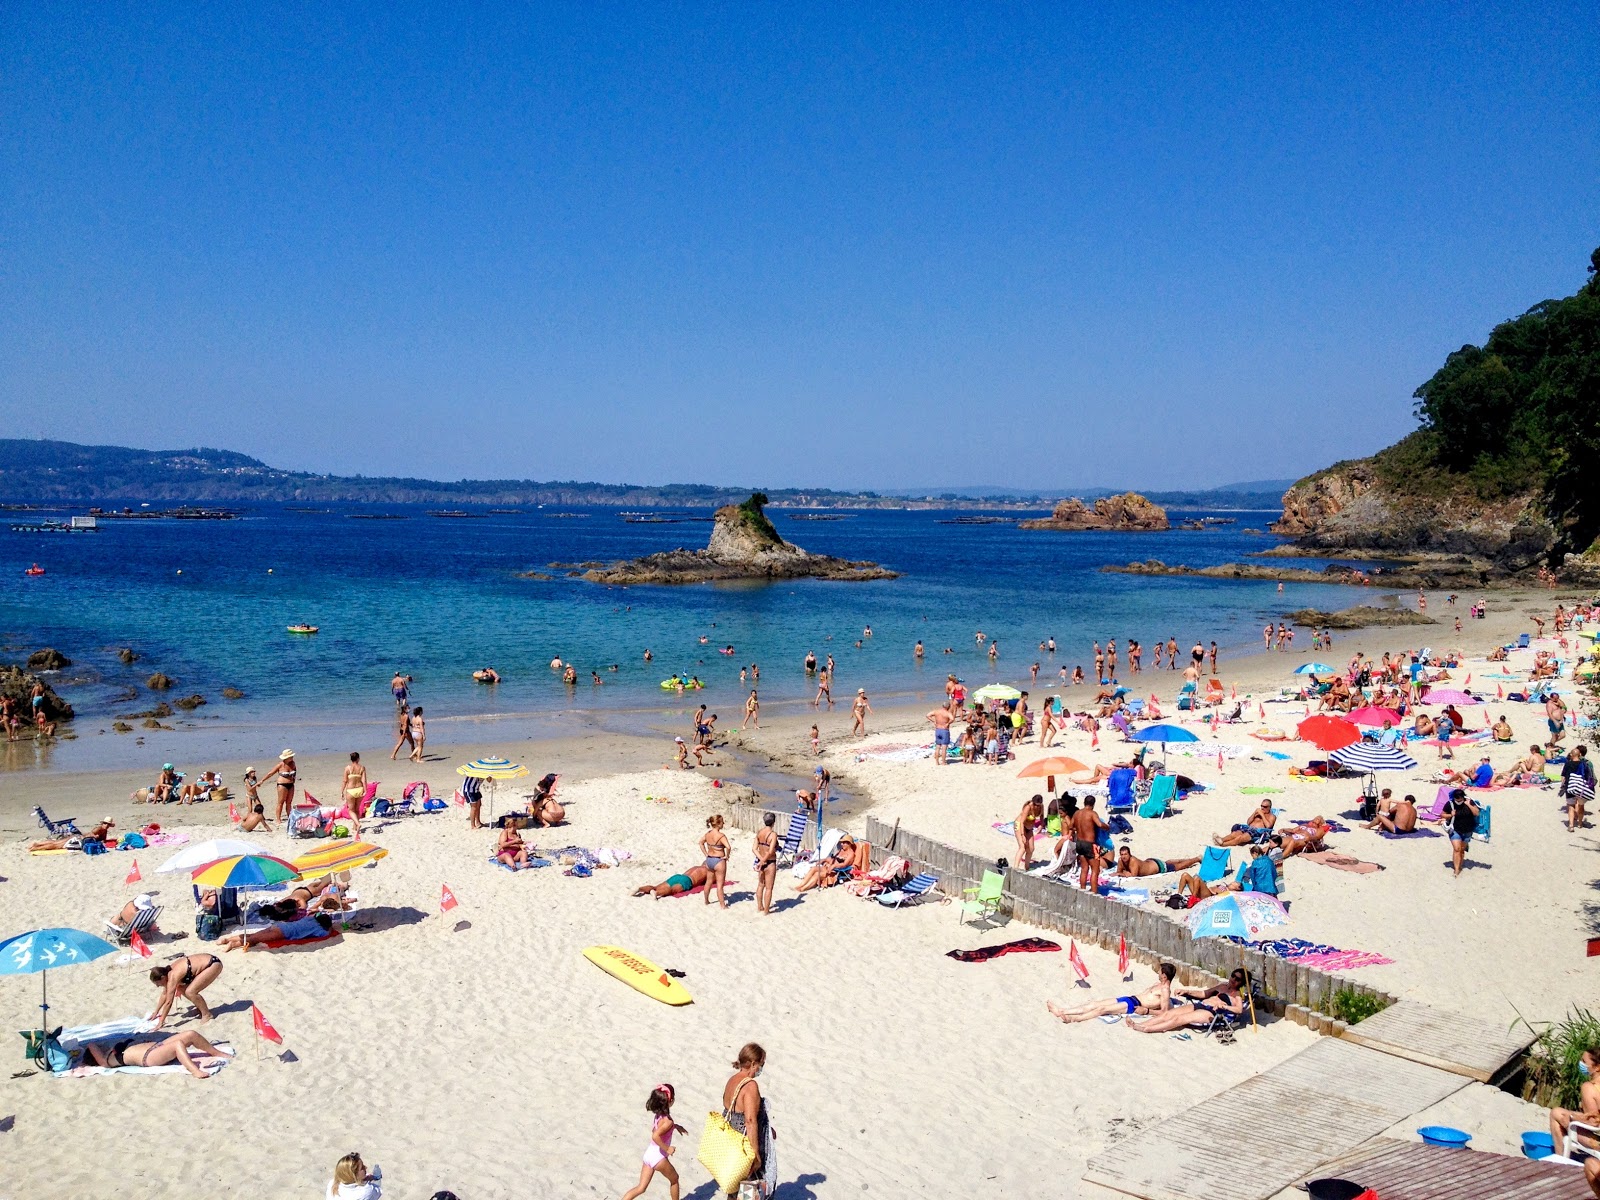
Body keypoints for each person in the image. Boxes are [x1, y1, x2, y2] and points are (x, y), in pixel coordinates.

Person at [1125, 968, 1249, 1034]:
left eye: (1237, 979)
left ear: (1242, 983)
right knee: (1168, 1014)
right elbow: (1203, 994)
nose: (1233, 979)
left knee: (1178, 1020)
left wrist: (1225, 1007)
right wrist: (1187, 992)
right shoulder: (1222, 986)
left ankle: (1147, 1029)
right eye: (1233, 975)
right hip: (1201, 1004)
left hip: (1211, 1013)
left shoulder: (1237, 995)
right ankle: (1143, 1024)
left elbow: (1239, 1009)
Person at [722, 1044, 774, 1197]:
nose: (761, 1069)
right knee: (749, 1188)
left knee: (734, 1188)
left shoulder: (732, 1080)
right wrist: (755, 1154)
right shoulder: (750, 1086)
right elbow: (750, 1121)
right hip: (744, 1143)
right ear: (753, 1064)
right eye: (761, 1064)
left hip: (731, 1141)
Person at [1048, 963, 1176, 1024]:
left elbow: (1165, 1012)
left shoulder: (1165, 991)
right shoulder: (1157, 984)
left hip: (1134, 1005)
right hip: (1130, 998)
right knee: (1094, 1004)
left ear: (1164, 976)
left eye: (1159, 972)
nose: (1157, 973)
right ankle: (1063, 1011)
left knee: (1102, 1009)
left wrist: (1147, 1011)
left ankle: (1074, 1018)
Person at [85, 1028, 233, 1080]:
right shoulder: (106, 1060)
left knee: (190, 1034)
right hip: (148, 1058)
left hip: (156, 1047)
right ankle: (195, 1071)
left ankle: (216, 1052)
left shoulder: (111, 1050)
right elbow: (91, 1045)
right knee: (177, 1045)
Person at [622, 1084, 687, 1200]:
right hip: (658, 1157)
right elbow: (655, 1135)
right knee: (674, 1179)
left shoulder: (659, 1115)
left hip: (649, 1154)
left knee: (641, 1188)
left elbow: (657, 1129)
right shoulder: (668, 1121)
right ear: (670, 1100)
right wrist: (667, 1149)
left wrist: (676, 1127)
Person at [1550, 1046, 1600, 1165]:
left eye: (1584, 1062)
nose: (1581, 1064)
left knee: (1555, 1114)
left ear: (1597, 1067)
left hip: (1596, 1140)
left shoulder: (1589, 1087)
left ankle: (1560, 1159)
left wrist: (1572, 1117)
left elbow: (1593, 1122)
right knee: (1559, 1112)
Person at [217, 904, 335, 951]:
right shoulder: (320, 930)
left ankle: (228, 939)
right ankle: (233, 944)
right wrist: (330, 926)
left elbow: (314, 912)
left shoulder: (310, 918)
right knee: (255, 939)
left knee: (254, 935)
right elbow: (329, 932)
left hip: (281, 925)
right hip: (284, 932)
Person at [149, 953, 223, 1026]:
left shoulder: (173, 977)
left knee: (190, 992)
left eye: (158, 984)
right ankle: (200, 1007)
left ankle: (207, 1014)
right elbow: (165, 994)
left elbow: (168, 1002)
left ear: (162, 978)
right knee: (181, 988)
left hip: (213, 964)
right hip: (207, 962)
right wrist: (156, 1012)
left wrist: (161, 1021)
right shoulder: (167, 972)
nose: (158, 986)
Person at [1071, 798, 1109, 894]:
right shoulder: (1092, 813)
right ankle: (1094, 893)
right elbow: (1099, 824)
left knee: (1084, 869)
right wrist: (1107, 827)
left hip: (1079, 843)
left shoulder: (1077, 813)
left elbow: (1071, 826)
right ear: (1093, 804)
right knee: (1095, 870)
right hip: (1089, 844)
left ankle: (1082, 890)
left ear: (1084, 803)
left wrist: (1080, 829)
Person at [1441, 788, 1480, 877]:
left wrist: (1468, 805)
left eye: (1460, 800)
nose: (1458, 801)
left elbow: (1477, 813)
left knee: (1462, 850)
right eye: (1456, 800)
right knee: (1457, 849)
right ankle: (1456, 869)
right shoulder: (1450, 804)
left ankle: (1460, 865)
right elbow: (1442, 814)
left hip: (1468, 830)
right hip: (1455, 829)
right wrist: (1450, 815)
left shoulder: (1470, 802)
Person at [1213, 799, 1277, 846]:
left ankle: (1224, 844)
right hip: (1248, 828)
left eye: (1265, 807)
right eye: (1261, 806)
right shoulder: (1258, 813)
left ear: (1269, 807)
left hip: (1258, 832)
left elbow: (1268, 826)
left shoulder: (1272, 816)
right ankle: (1222, 839)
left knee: (1240, 838)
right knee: (1235, 833)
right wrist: (1254, 813)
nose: (1262, 808)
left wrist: (1262, 815)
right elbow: (1248, 822)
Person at [699, 814, 730, 909]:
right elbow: (728, 847)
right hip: (719, 860)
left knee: (708, 881)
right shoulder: (721, 836)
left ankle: (706, 900)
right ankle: (722, 905)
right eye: (722, 822)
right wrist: (727, 856)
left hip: (709, 859)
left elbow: (700, 843)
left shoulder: (708, 834)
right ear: (719, 824)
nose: (724, 823)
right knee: (720, 885)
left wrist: (706, 854)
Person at [33, 818, 114, 852]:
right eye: (105, 823)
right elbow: (92, 832)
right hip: (79, 839)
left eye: (108, 824)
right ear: (103, 823)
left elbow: (103, 840)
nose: (106, 825)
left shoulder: (104, 831)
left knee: (57, 843)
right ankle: (36, 847)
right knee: (57, 845)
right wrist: (94, 836)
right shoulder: (99, 828)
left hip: (79, 838)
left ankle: (37, 844)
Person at [1564, 745, 1596, 833]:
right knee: (1581, 806)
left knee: (1571, 806)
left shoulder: (1568, 763)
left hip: (1570, 786)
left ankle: (1571, 825)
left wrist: (1563, 786)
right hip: (1582, 787)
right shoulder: (1586, 764)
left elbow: (1563, 777)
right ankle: (1580, 823)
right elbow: (1589, 776)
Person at [1114, 846, 1201, 877]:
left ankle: (1196, 859)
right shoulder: (1120, 860)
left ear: (1130, 854)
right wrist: (1122, 872)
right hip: (1150, 862)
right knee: (1167, 862)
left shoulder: (1133, 861)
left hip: (1158, 867)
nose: (1123, 856)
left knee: (1178, 867)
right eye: (1122, 854)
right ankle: (1187, 859)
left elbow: (1133, 875)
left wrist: (1122, 873)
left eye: (1125, 854)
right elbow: (1119, 871)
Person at [260, 749, 297, 822]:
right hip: (282, 785)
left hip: (291, 784)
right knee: (281, 802)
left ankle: (290, 817)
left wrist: (294, 779)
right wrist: (262, 781)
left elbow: (295, 771)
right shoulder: (280, 765)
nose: (292, 757)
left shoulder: (293, 763)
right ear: (286, 758)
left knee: (289, 802)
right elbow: (270, 773)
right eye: (290, 756)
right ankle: (278, 819)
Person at [753, 811, 779, 915]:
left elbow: (754, 849)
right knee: (769, 888)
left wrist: (760, 860)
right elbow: (771, 851)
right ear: (773, 822)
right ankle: (766, 910)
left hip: (761, 862)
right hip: (770, 862)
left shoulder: (759, 833)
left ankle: (760, 906)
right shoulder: (773, 834)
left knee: (760, 885)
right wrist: (763, 860)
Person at [633, 865, 710, 898]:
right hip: (687, 881)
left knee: (656, 887)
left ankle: (640, 889)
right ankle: (657, 893)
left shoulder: (696, 867)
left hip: (678, 876)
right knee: (672, 890)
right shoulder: (708, 871)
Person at [1015, 795, 1045, 871]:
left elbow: (1042, 817)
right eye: (1035, 805)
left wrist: (1041, 825)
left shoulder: (1041, 807)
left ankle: (1027, 867)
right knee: (1023, 847)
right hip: (1020, 825)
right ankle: (1015, 867)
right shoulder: (1028, 807)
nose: (1036, 807)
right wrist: (1022, 835)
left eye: (1038, 805)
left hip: (1029, 828)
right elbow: (1022, 822)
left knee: (1031, 848)